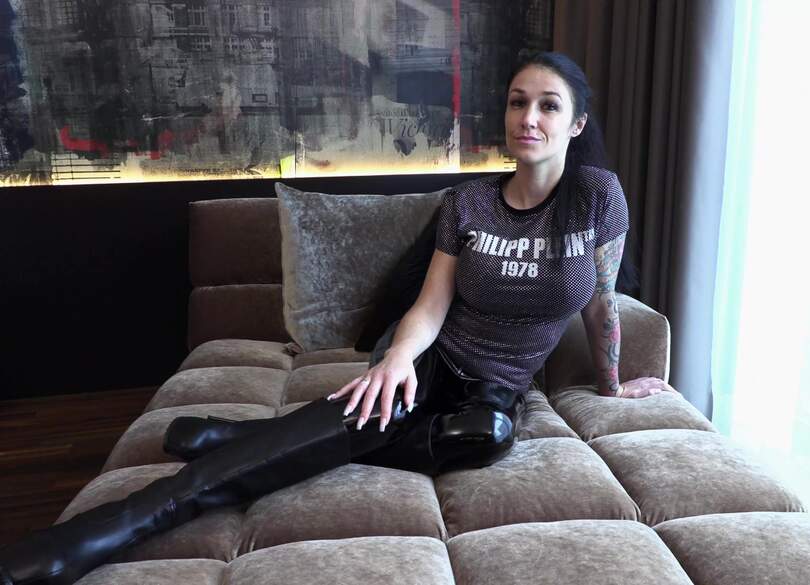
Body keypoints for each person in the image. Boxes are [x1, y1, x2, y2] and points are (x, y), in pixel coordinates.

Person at [0, 51, 675, 585]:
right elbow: (431, 304)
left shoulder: (597, 198)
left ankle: (249, 436)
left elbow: (601, 301)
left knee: (486, 434)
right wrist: (397, 359)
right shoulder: (468, 202)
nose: (528, 117)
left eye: (548, 105)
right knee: (377, 407)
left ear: (575, 124)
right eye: (517, 101)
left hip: (497, 385)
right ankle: (117, 524)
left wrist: (613, 383)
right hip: (434, 356)